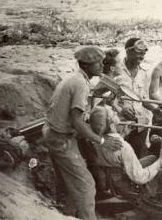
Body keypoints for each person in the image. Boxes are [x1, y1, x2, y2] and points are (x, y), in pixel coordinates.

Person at [41, 46, 123, 219]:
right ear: (86, 66)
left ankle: (68, 213)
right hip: (61, 139)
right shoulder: (80, 84)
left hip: (54, 133)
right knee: (86, 186)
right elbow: (77, 121)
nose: (102, 66)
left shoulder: (76, 78)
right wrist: (101, 141)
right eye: (98, 63)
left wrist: (97, 93)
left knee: (68, 183)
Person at [88, 105, 162, 199]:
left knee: (152, 158)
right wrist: (161, 159)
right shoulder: (124, 147)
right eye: (113, 114)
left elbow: (112, 154)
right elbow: (140, 178)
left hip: (117, 180)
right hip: (134, 187)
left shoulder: (97, 140)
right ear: (112, 124)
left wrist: (123, 135)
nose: (116, 113)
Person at [113, 37, 162, 158]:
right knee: (118, 157)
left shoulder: (144, 72)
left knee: (137, 158)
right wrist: (120, 109)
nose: (142, 56)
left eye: (144, 53)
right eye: (139, 52)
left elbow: (143, 98)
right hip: (120, 124)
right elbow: (104, 98)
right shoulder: (114, 69)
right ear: (128, 51)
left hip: (140, 124)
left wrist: (155, 109)